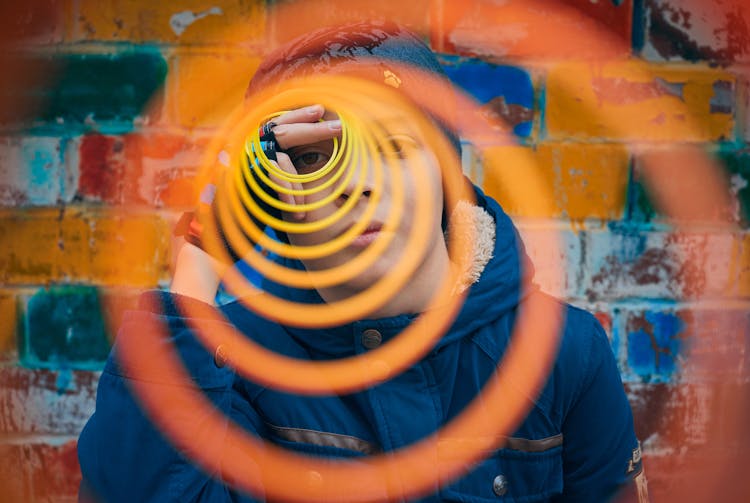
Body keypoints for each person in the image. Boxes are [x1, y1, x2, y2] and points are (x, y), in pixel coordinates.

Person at [77, 21, 648, 503]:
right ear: (269, 199)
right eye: (313, 160)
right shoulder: (235, 364)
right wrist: (198, 261)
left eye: (393, 148)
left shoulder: (560, 351)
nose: (357, 186)